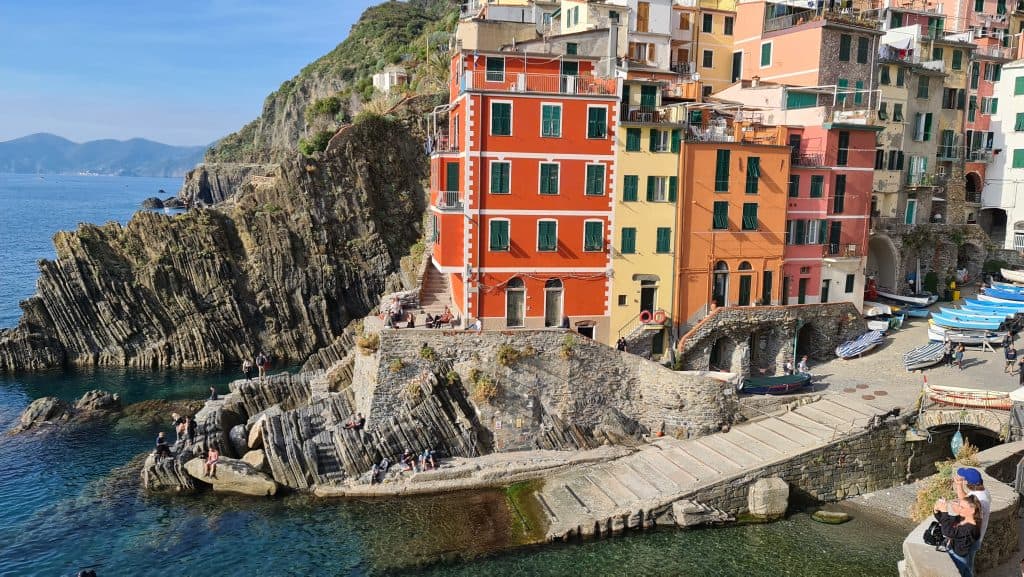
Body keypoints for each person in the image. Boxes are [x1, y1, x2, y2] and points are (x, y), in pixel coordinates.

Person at [933, 494, 982, 577]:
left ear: (972, 510)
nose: (959, 508)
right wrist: (937, 511)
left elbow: (947, 532)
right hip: (958, 552)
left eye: (962, 507)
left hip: (959, 557)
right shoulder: (963, 518)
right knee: (967, 573)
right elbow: (946, 521)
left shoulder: (970, 527)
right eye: (959, 505)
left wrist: (945, 512)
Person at [954, 467, 991, 572]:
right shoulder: (983, 492)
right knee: (969, 564)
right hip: (976, 536)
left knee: (964, 566)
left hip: (970, 537)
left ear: (967, 482)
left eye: (964, 478)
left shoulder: (978, 497)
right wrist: (959, 485)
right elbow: (966, 499)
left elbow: (964, 508)